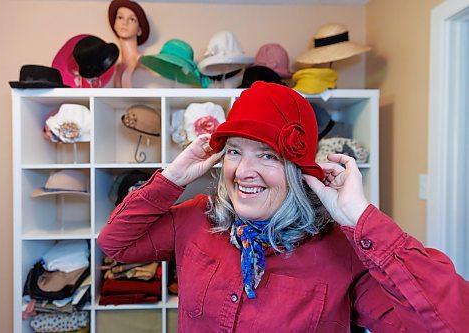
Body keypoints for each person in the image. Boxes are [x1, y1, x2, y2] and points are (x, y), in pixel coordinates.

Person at [98, 82, 468, 332]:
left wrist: (359, 218)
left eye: (268, 155)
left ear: (298, 171)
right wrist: (174, 176)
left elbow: (451, 323)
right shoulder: (198, 218)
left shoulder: (342, 250)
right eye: (234, 152)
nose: (243, 172)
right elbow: (116, 243)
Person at [108, 0, 150, 88]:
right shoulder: (116, 63)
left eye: (131, 19)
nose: (125, 23)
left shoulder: (141, 60)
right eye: (120, 17)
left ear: (139, 30)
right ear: (115, 25)